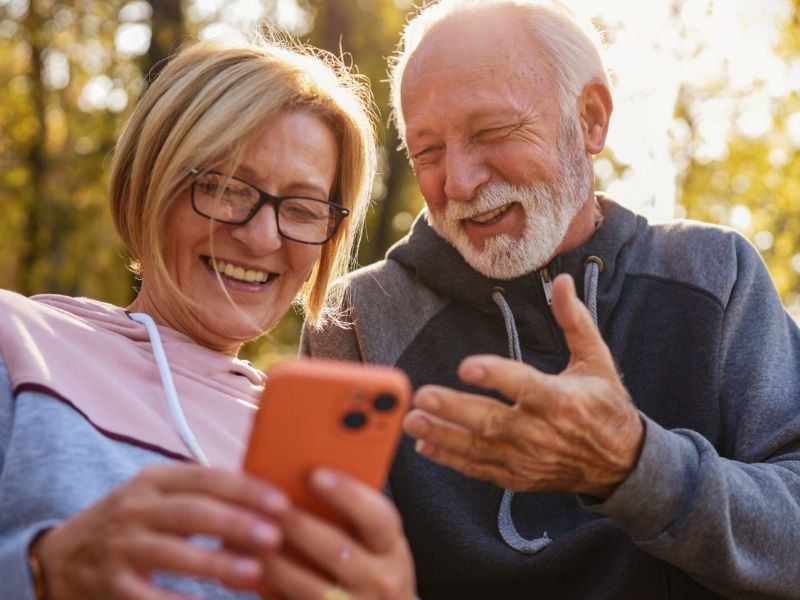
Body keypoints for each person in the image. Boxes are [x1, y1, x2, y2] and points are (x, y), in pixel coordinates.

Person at [302, 1, 800, 598]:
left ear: (590, 118)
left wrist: (636, 465)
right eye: (427, 151)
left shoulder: (714, 274)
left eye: (491, 131)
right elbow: (332, 572)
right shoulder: (357, 318)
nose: (458, 182)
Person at [0, 36, 417, 599]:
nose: (261, 236)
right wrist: (42, 571)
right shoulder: (19, 344)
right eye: (222, 188)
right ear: (148, 183)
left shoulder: (323, 442)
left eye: (301, 208)